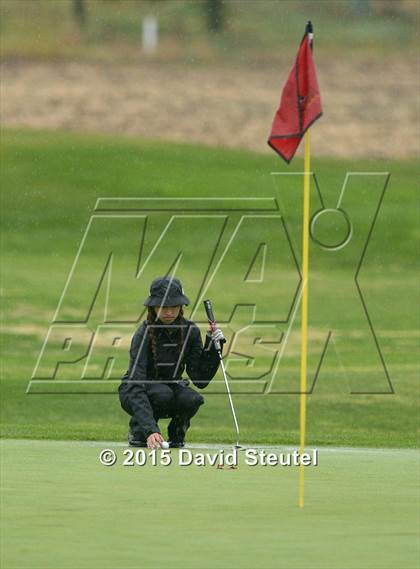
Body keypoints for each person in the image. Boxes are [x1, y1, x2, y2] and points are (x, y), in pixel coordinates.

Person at [118, 276, 225, 449]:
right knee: (163, 394)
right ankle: (138, 430)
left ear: (181, 306)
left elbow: (200, 379)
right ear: (153, 307)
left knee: (192, 399)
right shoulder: (143, 334)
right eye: (163, 307)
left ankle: (177, 433)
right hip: (134, 390)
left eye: (174, 306)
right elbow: (135, 383)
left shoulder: (190, 331)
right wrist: (150, 429)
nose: (169, 312)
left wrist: (213, 347)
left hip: (169, 386)